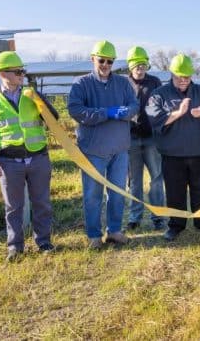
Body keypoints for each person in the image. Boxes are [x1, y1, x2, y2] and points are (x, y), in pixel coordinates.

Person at [0, 51, 58, 261]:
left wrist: (39, 98)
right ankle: (15, 247)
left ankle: (44, 242)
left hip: (38, 157)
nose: (22, 74)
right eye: (18, 71)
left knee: (42, 203)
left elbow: (53, 118)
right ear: (3, 74)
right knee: (13, 207)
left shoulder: (31, 95)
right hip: (8, 161)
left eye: (23, 70)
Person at [68, 41, 138, 249]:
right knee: (93, 194)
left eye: (110, 61)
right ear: (93, 59)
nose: (106, 64)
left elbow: (134, 104)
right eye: (102, 60)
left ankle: (114, 231)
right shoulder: (81, 84)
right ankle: (94, 235)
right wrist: (105, 113)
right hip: (93, 150)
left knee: (117, 192)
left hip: (120, 148)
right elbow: (76, 110)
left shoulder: (123, 83)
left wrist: (128, 111)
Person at [146, 54, 200, 241]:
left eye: (186, 77)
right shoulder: (159, 94)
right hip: (172, 154)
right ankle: (176, 225)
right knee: (174, 191)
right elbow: (154, 118)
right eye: (179, 76)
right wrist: (178, 113)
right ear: (171, 74)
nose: (183, 81)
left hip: (199, 152)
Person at [125, 46, 165, 231]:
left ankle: (158, 217)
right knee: (135, 180)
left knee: (156, 178)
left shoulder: (155, 82)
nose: (140, 68)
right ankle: (135, 216)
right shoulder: (124, 83)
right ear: (130, 66)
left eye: (143, 64)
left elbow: (162, 105)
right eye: (136, 65)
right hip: (131, 138)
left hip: (151, 139)